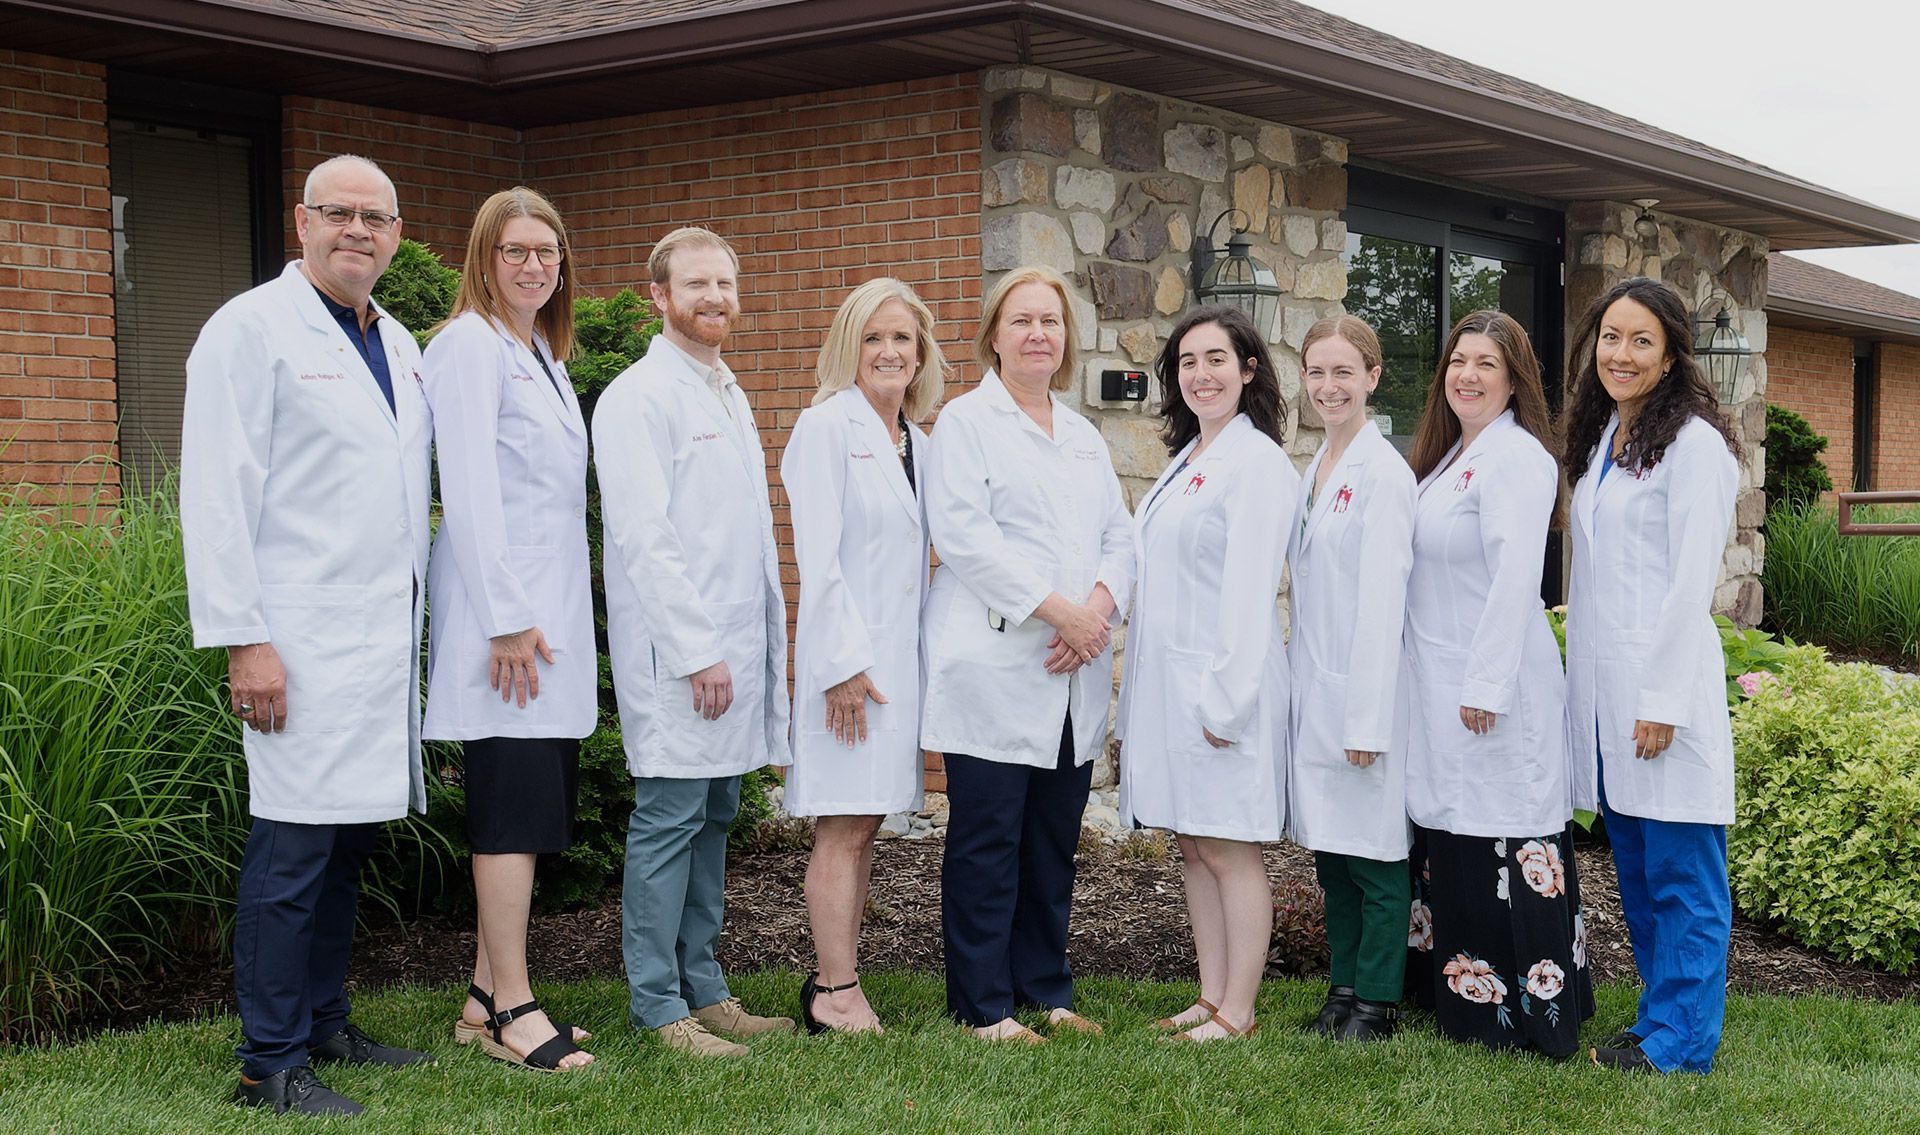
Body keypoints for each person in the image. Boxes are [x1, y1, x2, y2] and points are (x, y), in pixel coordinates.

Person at [181, 154, 434, 1116]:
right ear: (301, 221)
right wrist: (245, 638)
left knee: (346, 843)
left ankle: (325, 1020)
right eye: (339, 213)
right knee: (291, 849)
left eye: (376, 217)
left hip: (375, 643)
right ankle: (268, 1060)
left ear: (397, 235)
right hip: (295, 639)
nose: (357, 230)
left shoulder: (398, 341)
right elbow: (215, 494)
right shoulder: (250, 330)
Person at [593, 226, 795, 1058]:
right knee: (671, 816)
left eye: (725, 284)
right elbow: (645, 539)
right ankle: (655, 1001)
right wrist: (696, 650)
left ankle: (704, 984)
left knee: (715, 815)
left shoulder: (726, 389)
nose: (715, 297)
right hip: (685, 659)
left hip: (733, 652)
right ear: (659, 296)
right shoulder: (638, 397)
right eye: (696, 284)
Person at [921, 266, 1133, 1044]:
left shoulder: (1082, 434)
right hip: (998, 666)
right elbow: (967, 538)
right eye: (1021, 321)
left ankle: (1045, 986)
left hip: (1070, 674)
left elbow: (1121, 536)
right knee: (987, 842)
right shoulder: (966, 422)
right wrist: (1062, 614)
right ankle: (983, 1004)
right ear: (994, 336)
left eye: (1050, 321)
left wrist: (1097, 613)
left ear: (1066, 339)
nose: (1038, 333)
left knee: (1051, 843)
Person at [421, 187, 595, 1072]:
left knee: (529, 810)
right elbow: (470, 492)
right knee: (507, 815)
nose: (534, 265)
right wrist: (505, 620)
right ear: (484, 259)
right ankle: (514, 1010)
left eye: (547, 251)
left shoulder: (541, 356)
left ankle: (483, 996)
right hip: (509, 632)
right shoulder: (466, 348)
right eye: (516, 251)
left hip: (546, 627)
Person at [1401, 310, 1595, 1058]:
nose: (1468, 375)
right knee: (1454, 830)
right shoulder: (1453, 456)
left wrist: (1486, 682)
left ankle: (1528, 1017)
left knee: (1504, 830)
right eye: (1459, 360)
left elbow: (1518, 575)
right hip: (1442, 683)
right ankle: (1462, 1004)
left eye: (1487, 363)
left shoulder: (1516, 456)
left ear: (1515, 380)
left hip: (1494, 689)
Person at [1560, 278, 1740, 1075]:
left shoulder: (1695, 444)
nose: (1620, 353)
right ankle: (1658, 1016)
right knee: (1638, 867)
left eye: (1640, 341)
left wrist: (1662, 698)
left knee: (1683, 874)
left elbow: (1689, 579)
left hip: (1660, 692)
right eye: (1609, 337)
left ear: (1671, 356)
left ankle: (1683, 1042)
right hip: (1609, 692)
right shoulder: (1608, 438)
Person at [1114, 306, 1296, 1043]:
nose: (1201, 374)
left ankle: (1240, 1009)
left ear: (1248, 369)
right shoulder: (1189, 458)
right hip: (1171, 686)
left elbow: (1252, 593)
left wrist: (1226, 700)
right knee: (1193, 842)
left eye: (1216, 359)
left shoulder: (1257, 464)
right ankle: (1210, 994)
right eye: (1187, 362)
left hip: (1226, 687)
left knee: (1227, 843)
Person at [780, 278, 945, 1034]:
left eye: (902, 339)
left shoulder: (920, 441)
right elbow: (819, 557)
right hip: (850, 672)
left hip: (897, 671)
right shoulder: (826, 427)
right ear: (849, 345)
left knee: (866, 822)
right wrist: (842, 664)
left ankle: (840, 979)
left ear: (921, 353)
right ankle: (833, 990)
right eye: (873, 337)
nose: (888, 351)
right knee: (842, 826)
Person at [1284, 315, 1417, 1042]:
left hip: (1364, 695)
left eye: (1344, 372)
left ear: (1372, 376)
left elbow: (1383, 602)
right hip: (1317, 687)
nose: (1328, 386)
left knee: (1375, 856)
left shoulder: (1385, 474)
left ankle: (1377, 1002)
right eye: (1316, 372)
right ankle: (1340, 992)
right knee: (1332, 853)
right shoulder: (1316, 467)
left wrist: (1365, 718)